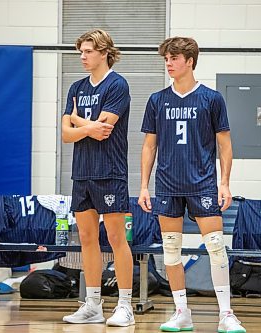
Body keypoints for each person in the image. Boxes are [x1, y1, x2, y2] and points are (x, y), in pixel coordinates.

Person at [138, 37, 246, 333]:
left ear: (190, 61)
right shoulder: (157, 100)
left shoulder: (211, 99)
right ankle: (181, 312)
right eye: (166, 59)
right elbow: (149, 147)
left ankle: (226, 314)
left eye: (174, 58)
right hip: (168, 186)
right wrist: (144, 186)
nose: (169, 63)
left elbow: (225, 146)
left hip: (203, 185)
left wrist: (224, 183)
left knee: (216, 247)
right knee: (171, 251)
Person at [61, 29, 134, 327]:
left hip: (110, 172)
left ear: (104, 52)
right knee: (87, 238)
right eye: (81, 51)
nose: (82, 56)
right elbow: (65, 136)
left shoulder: (117, 85)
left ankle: (126, 305)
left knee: (116, 238)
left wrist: (78, 120)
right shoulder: (76, 87)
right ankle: (92, 304)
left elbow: (104, 131)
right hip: (82, 172)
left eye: (88, 51)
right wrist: (83, 127)